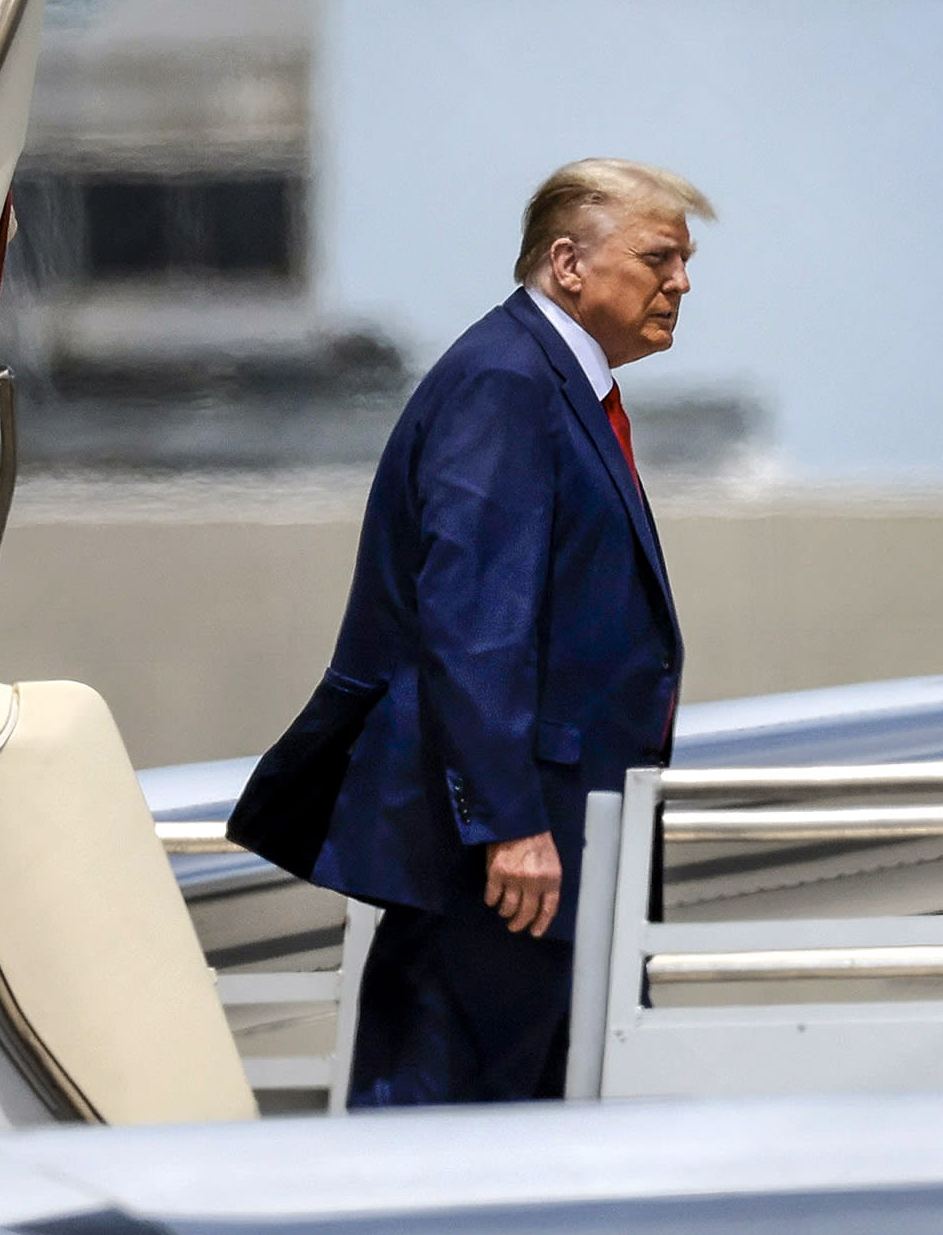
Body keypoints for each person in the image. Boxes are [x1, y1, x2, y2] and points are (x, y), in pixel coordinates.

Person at [227, 158, 710, 1106]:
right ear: (568, 264)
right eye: (660, 257)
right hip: (509, 859)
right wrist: (509, 823)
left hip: (545, 843)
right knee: (446, 1121)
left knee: (514, 1119)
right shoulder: (507, 382)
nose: (681, 284)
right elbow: (474, 627)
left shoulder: (545, 380)